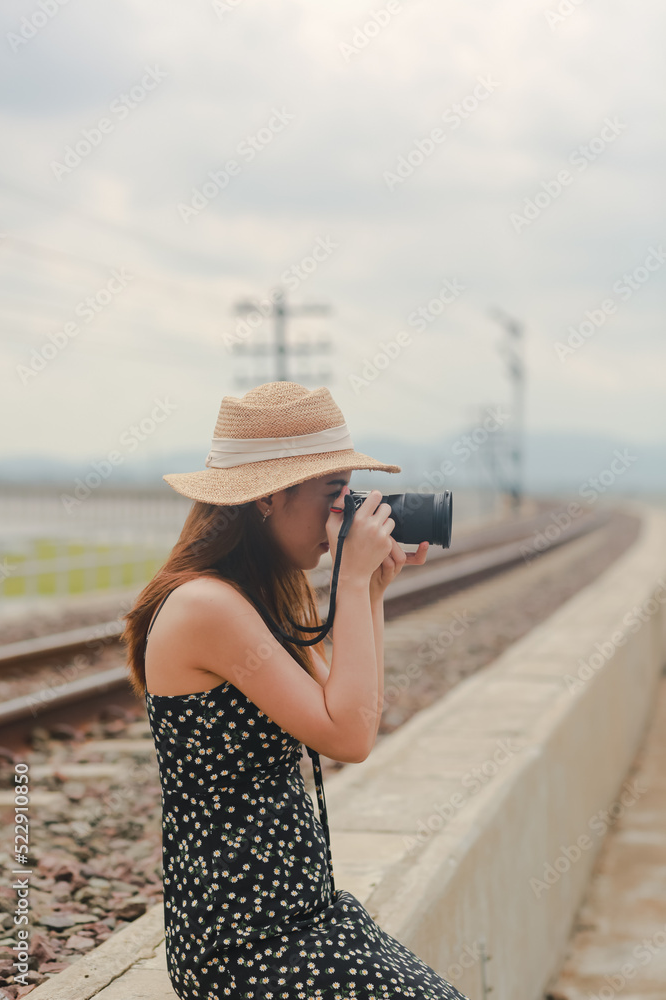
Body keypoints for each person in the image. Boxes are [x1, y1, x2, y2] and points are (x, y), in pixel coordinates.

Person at [122, 380, 470, 1000]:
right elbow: (350, 737)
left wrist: (368, 591)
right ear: (267, 499)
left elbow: (345, 706)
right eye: (334, 497)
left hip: (301, 915)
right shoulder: (207, 605)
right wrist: (353, 572)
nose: (347, 515)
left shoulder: (263, 593)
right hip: (245, 944)